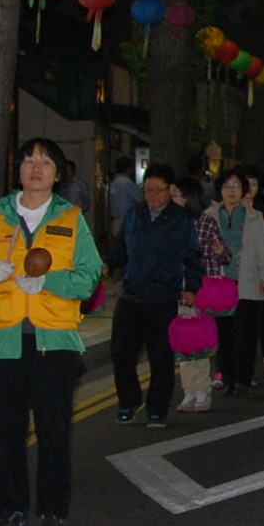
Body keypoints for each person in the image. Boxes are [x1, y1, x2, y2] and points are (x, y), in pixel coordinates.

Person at [0, 137, 104, 526]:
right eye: (29, 160)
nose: (36, 168)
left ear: (58, 174)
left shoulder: (71, 219)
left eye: (45, 162)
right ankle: (10, 510)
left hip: (53, 342)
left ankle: (52, 509)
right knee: (7, 432)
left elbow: (89, 277)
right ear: (19, 169)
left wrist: (50, 281)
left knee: (53, 430)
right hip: (2, 341)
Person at [112, 168, 204, 426]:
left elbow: (192, 257)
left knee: (161, 358)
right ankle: (128, 401)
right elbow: (120, 247)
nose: (152, 194)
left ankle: (157, 408)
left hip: (162, 297)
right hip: (131, 295)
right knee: (121, 354)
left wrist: (191, 287)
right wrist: (107, 264)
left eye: (158, 190)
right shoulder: (135, 213)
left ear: (169, 190)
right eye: (148, 189)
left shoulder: (181, 219)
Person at [203, 169, 264, 389]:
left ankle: (244, 378)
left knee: (246, 333)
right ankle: (228, 378)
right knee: (225, 334)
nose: (231, 191)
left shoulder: (254, 217)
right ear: (220, 190)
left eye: (236, 186)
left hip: (248, 280)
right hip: (220, 282)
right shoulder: (209, 216)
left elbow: (263, 248)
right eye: (227, 186)